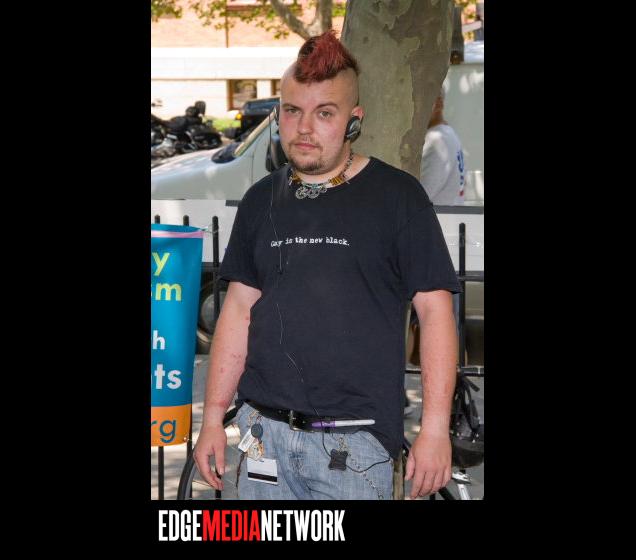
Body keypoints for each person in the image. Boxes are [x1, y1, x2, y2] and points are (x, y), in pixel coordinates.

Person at [193, 30, 461, 500]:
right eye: (292, 111)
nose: (304, 128)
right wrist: (213, 418)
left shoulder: (397, 197)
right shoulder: (261, 200)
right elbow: (237, 310)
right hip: (262, 438)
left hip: (354, 446)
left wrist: (435, 429)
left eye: (324, 113)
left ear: (353, 121)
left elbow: (435, 312)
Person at [420, 89, 466, 205]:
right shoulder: (448, 134)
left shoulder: (436, 140)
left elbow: (419, 195)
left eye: (421, 101)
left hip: (438, 214)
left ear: (438, 104)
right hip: (447, 213)